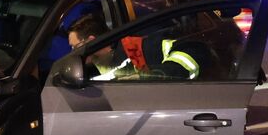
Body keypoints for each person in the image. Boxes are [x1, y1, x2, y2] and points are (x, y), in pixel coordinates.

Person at [68, 15, 201, 81]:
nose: (74, 53)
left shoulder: (138, 47)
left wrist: (150, 75)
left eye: (76, 47)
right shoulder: (89, 71)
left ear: (91, 41)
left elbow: (195, 50)